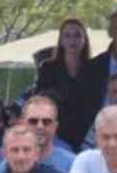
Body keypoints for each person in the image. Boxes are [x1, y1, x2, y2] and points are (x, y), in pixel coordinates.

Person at [36, 19, 97, 149]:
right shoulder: (48, 68)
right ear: (61, 40)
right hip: (56, 135)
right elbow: (39, 100)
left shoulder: (94, 68)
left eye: (77, 35)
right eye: (67, 36)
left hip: (86, 136)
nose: (72, 40)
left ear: (84, 39)